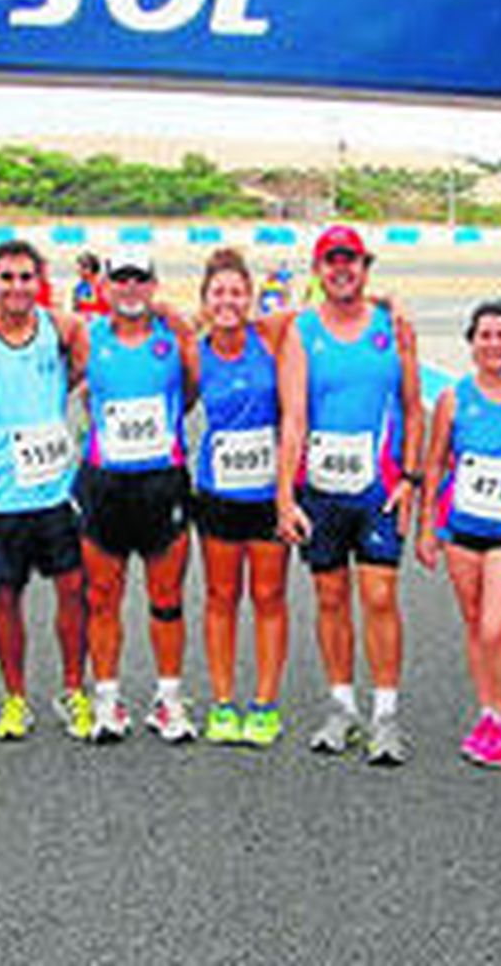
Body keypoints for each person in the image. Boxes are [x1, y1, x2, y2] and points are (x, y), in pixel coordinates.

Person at [277, 224, 424, 766]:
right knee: (330, 598)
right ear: (319, 270)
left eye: (352, 261)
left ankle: (385, 714)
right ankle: (342, 706)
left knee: (380, 598)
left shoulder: (394, 327)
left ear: (365, 268)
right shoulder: (302, 332)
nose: (343, 269)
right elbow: (293, 419)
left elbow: (412, 407)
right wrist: (283, 499)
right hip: (319, 490)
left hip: (379, 489)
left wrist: (411, 478)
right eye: (332, 261)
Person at [0, 240, 95, 743]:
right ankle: (15, 699)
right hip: (0, 495)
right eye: (7, 278)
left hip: (56, 494)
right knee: (6, 597)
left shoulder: (61, 330)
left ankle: (73, 690)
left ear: (40, 283)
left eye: (25, 278)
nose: (17, 287)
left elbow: (81, 366)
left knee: (73, 593)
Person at [417, 300, 501, 769]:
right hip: (460, 526)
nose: (494, 343)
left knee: (496, 627)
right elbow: (435, 463)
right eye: (485, 335)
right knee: (475, 624)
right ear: (471, 343)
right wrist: (428, 528)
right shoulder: (454, 398)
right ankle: (487, 713)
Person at [79, 247, 200, 744]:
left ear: (154, 285)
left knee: (166, 598)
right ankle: (107, 700)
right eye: (121, 279)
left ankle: (168, 700)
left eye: (139, 280)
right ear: (106, 286)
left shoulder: (175, 339)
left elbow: (193, 390)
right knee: (103, 597)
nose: (130, 289)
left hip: (162, 482)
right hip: (105, 484)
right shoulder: (87, 338)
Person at [193, 248, 296, 746]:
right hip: (217, 493)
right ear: (205, 300)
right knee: (220, 596)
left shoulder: (270, 336)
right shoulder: (194, 351)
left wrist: (385, 300)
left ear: (250, 298)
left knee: (270, 596)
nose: (228, 301)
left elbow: (323, 312)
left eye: (236, 292)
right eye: (218, 293)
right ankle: (223, 702)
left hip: (269, 492)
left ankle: (265, 703)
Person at [71, 251, 109, 317]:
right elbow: (77, 310)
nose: (79, 272)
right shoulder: (80, 287)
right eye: (78, 270)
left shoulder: (105, 284)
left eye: (84, 268)